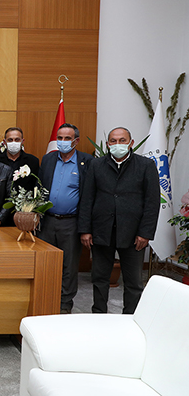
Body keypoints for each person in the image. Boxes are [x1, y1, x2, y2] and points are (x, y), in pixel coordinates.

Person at [79, 127, 160, 314]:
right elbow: (87, 199)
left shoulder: (145, 165)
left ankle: (130, 318)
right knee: (99, 278)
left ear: (131, 143)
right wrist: (85, 229)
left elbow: (152, 203)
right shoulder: (96, 165)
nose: (118, 144)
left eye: (122, 140)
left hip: (133, 234)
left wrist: (145, 233)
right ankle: (99, 315)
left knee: (133, 282)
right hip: (101, 231)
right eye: (113, 141)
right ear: (108, 144)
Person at [37, 123, 94, 314]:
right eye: (59, 138)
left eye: (67, 138)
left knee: (68, 266)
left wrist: (86, 228)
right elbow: (40, 187)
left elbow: (89, 197)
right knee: (45, 263)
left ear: (76, 141)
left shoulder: (87, 161)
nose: (62, 142)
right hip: (47, 221)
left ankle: (64, 305)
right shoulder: (48, 159)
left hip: (71, 222)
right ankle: (45, 300)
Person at [0, 127, 40, 192]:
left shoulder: (33, 161)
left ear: (22, 141)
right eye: (10, 140)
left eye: (17, 140)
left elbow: (36, 185)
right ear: (5, 142)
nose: (13, 143)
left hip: (25, 197)